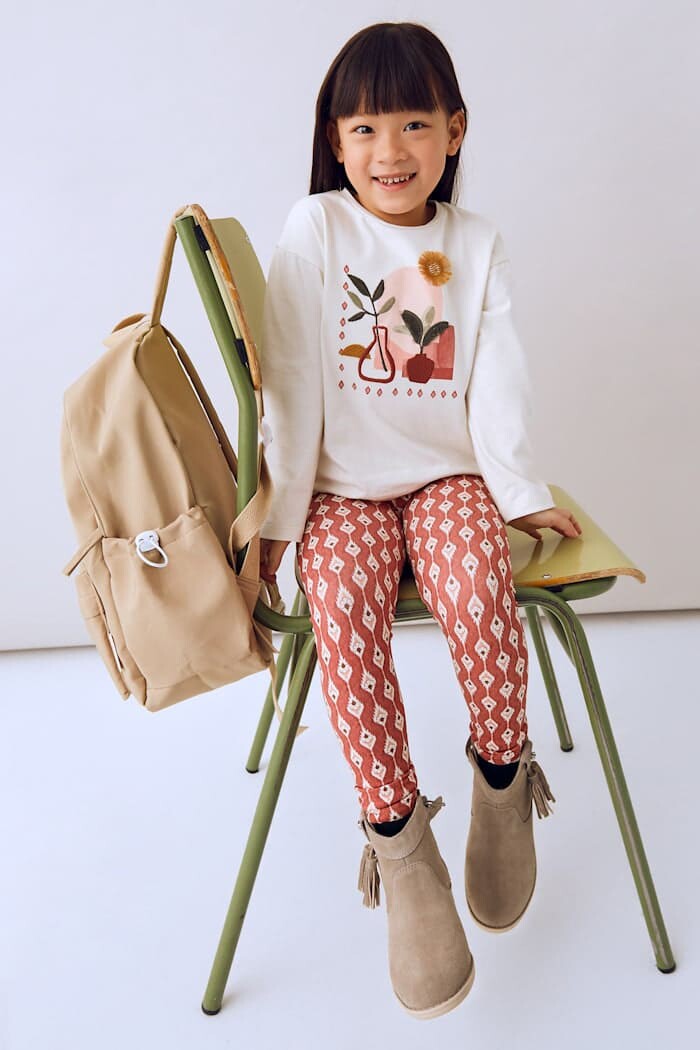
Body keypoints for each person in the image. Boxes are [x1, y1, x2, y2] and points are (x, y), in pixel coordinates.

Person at [257, 21, 581, 1020]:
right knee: (342, 609)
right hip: (342, 492)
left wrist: (518, 490)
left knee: (479, 587)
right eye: (363, 129)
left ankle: (500, 777)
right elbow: (292, 380)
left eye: (411, 124)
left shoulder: (474, 244)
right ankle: (399, 844)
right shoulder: (316, 229)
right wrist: (280, 512)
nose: (388, 150)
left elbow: (500, 380)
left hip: (447, 479)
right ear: (335, 139)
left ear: (454, 130)